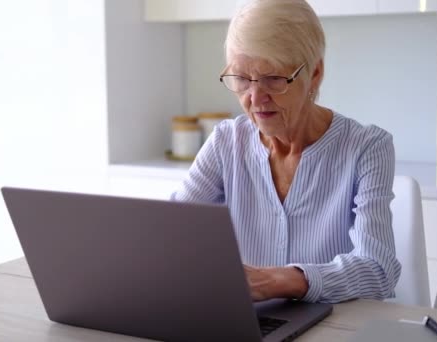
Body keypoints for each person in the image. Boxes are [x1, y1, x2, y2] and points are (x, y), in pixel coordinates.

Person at [171, 0, 401, 304]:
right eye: (241, 79)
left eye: (274, 79)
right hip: (246, 325)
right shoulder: (226, 142)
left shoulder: (367, 148)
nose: (255, 98)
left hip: (334, 327)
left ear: (315, 74)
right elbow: (169, 235)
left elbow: (378, 272)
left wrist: (283, 281)